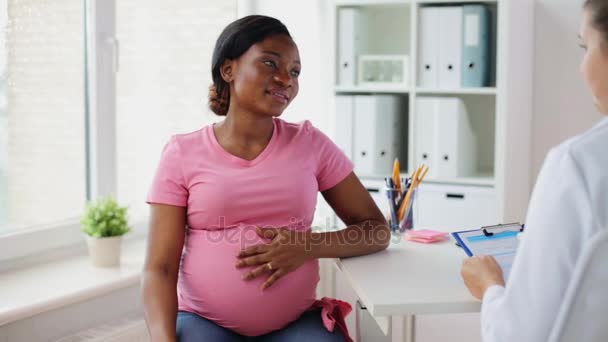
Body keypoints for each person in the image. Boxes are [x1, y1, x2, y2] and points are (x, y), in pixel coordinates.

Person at [142, 15, 390, 342]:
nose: (286, 78)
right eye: (270, 63)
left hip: (296, 323)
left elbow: (376, 230)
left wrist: (308, 245)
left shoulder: (311, 144)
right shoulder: (181, 153)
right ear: (228, 70)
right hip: (205, 323)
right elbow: (159, 268)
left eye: (295, 71)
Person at [460, 1, 608, 341]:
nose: (582, 67)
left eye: (586, 47)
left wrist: (490, 287)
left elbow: (517, 335)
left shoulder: (577, 165)